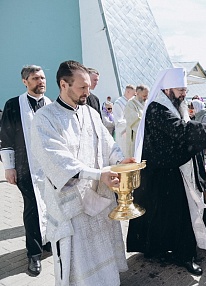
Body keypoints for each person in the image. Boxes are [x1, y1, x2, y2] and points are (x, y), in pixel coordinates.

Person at [31, 60, 134, 285]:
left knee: (103, 256)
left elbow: (108, 145)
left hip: (99, 199)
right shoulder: (45, 118)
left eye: (88, 86)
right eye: (82, 87)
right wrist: (99, 175)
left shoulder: (91, 113)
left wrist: (120, 160)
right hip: (71, 205)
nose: (88, 92)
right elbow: (56, 160)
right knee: (79, 264)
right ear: (63, 85)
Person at [127, 67, 206, 275]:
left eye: (185, 89)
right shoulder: (157, 108)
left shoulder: (174, 105)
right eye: (180, 89)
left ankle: (181, 252)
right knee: (171, 215)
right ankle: (179, 254)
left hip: (171, 170)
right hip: (161, 173)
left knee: (173, 216)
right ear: (166, 89)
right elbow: (179, 130)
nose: (184, 94)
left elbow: (184, 127)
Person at [0, 65, 51, 276]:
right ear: (25, 81)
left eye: (43, 77)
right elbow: (6, 137)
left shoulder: (52, 105)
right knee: (32, 208)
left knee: (51, 206)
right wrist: (9, 167)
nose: (41, 81)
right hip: (24, 167)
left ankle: (49, 242)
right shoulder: (13, 105)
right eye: (36, 78)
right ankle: (34, 253)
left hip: (50, 168)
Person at [124, 84, 149, 157]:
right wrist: (147, 127)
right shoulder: (130, 104)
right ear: (137, 93)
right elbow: (134, 121)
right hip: (136, 136)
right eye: (144, 96)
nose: (146, 98)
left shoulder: (146, 103)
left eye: (147, 95)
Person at [113, 84, 136, 151]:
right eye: (133, 94)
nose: (134, 96)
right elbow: (119, 121)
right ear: (128, 92)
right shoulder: (118, 103)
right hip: (122, 134)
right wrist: (132, 122)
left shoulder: (131, 103)